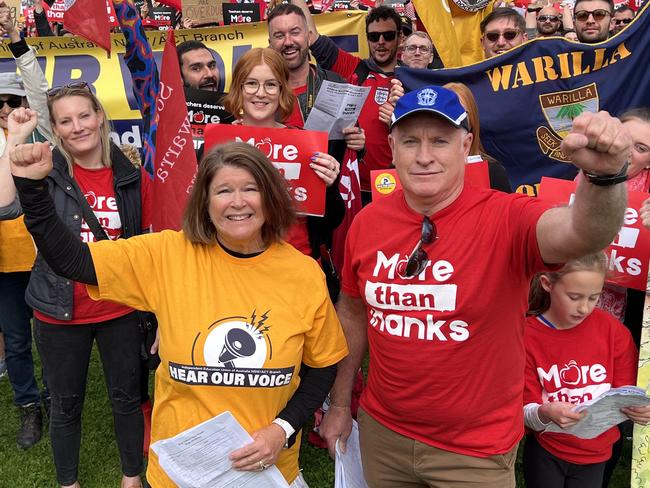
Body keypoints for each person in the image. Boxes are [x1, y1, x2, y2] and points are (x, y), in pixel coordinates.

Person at [318, 84, 631, 487]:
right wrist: (341, 403)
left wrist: (604, 177)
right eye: (411, 141)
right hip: (385, 436)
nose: (425, 155)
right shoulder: (369, 222)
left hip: (474, 450)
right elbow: (353, 310)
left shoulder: (506, 217)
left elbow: (583, 233)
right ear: (392, 147)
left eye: (441, 141)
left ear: (466, 145)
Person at [9, 140, 349, 488]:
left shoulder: (303, 273)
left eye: (251, 188)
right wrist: (32, 188)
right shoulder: (167, 255)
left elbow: (323, 365)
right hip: (182, 472)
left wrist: (283, 429)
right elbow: (73, 261)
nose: (237, 202)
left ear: (271, 197)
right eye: (223, 191)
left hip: (270, 469)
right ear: (204, 202)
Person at [4, 85, 149, 488]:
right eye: (65, 121)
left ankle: (131, 478)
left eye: (84, 116)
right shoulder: (46, 169)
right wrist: (15, 141)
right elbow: (4, 205)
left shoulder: (131, 173)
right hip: (58, 312)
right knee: (66, 405)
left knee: (126, 398)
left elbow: (152, 242)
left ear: (100, 116)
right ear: (55, 129)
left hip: (120, 308)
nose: (78, 127)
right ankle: (69, 483)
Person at [523, 253, 650, 488]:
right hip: (547, 449)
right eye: (574, 297)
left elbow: (627, 393)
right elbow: (523, 410)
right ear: (547, 284)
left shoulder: (613, 331)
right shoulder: (527, 335)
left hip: (597, 452)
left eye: (594, 297)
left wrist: (639, 410)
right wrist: (544, 412)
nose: (584, 308)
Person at [222, 47, 345, 260]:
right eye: (251, 83)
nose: (261, 93)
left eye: (270, 84)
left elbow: (333, 219)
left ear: (281, 91)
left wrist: (330, 186)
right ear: (239, 89)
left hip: (298, 267)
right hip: (237, 269)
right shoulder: (221, 146)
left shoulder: (306, 146)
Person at [0, 1, 54, 450]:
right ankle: (29, 406)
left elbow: (37, 91)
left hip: (44, 254)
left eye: (11, 100)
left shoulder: (37, 130)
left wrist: (17, 43)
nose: (5, 108)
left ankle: (56, 397)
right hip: (3, 265)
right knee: (17, 341)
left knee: (51, 334)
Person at [293, 0, 402, 203]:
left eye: (388, 36)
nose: (381, 42)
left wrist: (400, 119)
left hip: (396, 187)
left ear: (400, 37)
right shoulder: (354, 69)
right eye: (373, 36)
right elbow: (312, 37)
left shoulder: (411, 81)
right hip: (352, 187)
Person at [266, 2, 366, 165]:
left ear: (308, 36)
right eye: (279, 35)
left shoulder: (335, 83)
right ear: (270, 42)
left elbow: (350, 149)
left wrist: (358, 144)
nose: (288, 41)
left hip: (328, 187)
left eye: (295, 32)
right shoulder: (261, 92)